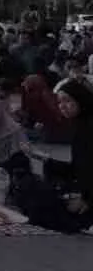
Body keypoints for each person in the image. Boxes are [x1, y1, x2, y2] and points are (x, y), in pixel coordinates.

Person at [40, 79, 93, 232]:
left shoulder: (89, 127)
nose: (62, 106)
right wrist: (44, 158)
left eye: (67, 101)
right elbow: (80, 168)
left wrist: (88, 200)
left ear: (80, 100)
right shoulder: (80, 126)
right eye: (59, 102)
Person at [20, 74, 73, 143]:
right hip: (53, 130)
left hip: (54, 132)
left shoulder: (44, 96)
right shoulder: (42, 95)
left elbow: (57, 113)